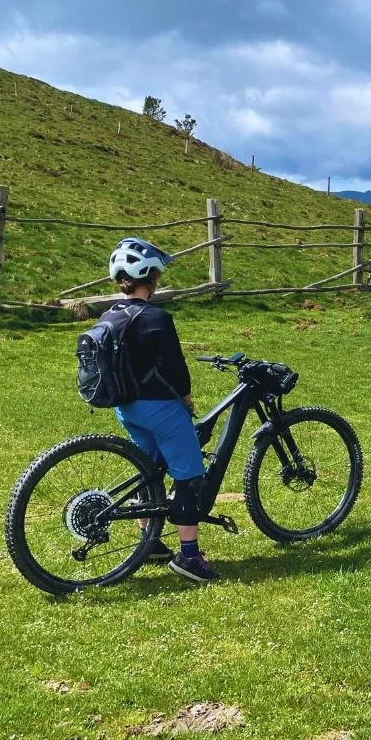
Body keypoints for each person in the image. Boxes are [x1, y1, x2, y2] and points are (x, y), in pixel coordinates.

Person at [107, 236, 219, 583]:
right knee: (189, 476)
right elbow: (175, 367)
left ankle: (150, 542)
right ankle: (189, 557)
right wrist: (185, 397)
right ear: (151, 277)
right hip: (160, 409)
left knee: (149, 470)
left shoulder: (109, 314)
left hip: (126, 407)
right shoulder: (157, 317)